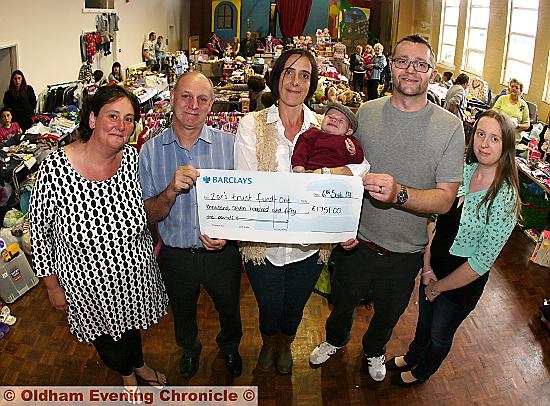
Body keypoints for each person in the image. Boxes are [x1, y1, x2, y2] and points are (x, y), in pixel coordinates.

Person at [309, 34, 465, 382]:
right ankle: (335, 340)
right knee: (342, 301)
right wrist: (338, 227)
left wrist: (399, 195)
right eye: (402, 61)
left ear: (432, 73)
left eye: (420, 64)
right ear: (390, 66)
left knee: (389, 312)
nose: (411, 70)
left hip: (406, 251)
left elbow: (445, 198)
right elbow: (347, 174)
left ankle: (374, 350)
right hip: (357, 242)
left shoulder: (450, 127)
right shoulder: (367, 113)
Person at [235, 49, 369, 375]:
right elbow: (248, 187)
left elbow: (357, 170)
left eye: (305, 75)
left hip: (309, 249)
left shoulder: (325, 127)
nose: (296, 82)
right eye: (289, 72)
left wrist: (338, 217)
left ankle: (286, 343)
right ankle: (270, 342)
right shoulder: (251, 125)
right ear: (277, 75)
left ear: (312, 84)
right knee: (268, 307)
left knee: (295, 307)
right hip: (262, 248)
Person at [28, 85, 168, 396]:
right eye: (113, 116)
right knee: (109, 343)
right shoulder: (55, 168)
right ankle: (126, 372)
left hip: (135, 276)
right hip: (86, 286)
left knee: (132, 330)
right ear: (92, 119)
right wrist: (52, 285)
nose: (121, 125)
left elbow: (148, 209)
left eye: (129, 119)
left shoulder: (132, 159)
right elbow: (39, 231)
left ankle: (139, 363)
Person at [388, 109, 520, 385]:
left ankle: (422, 371)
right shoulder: (462, 170)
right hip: (432, 268)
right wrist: (426, 268)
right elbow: (435, 219)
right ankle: (413, 355)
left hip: (461, 285)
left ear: (506, 146)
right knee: (423, 323)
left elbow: (482, 262)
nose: (484, 144)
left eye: (495, 139)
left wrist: (438, 287)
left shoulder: (504, 197)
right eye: (480, 134)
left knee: (439, 335)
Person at [139, 71, 243, 380]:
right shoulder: (150, 151)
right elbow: (146, 215)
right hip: (175, 256)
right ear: (172, 98)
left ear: (212, 105)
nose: (193, 105)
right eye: (186, 96)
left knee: (229, 309)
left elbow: (244, 204)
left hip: (222, 256)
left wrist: (227, 234)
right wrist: (170, 191)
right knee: (182, 313)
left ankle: (229, 348)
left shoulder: (231, 146)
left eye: (202, 99)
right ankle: (189, 348)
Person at [291, 103, 364, 172]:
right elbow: (301, 148)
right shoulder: (313, 133)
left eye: (341, 120)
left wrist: (353, 153)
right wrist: (298, 164)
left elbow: (358, 161)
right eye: (330, 117)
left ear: (349, 131)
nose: (334, 119)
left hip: (338, 174)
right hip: (311, 171)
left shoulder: (350, 141)